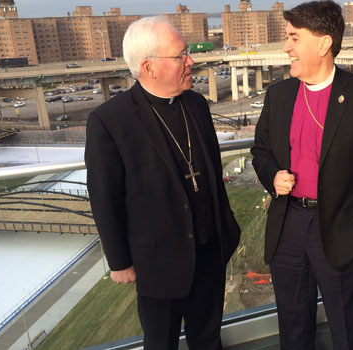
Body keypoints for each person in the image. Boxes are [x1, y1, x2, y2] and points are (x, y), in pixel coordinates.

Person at [251, 1, 353, 349]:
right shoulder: (278, 96)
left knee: (346, 328)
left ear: (323, 44)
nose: (286, 47)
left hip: (339, 229)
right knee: (293, 328)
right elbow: (260, 151)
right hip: (287, 227)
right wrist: (272, 175)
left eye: (294, 38)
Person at [85, 16, 240, 350]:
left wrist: (226, 229)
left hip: (210, 251)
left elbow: (210, 171)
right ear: (149, 67)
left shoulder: (196, 105)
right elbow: (103, 196)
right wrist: (119, 261)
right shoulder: (110, 120)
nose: (191, 61)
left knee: (209, 340)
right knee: (161, 344)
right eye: (181, 55)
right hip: (158, 261)